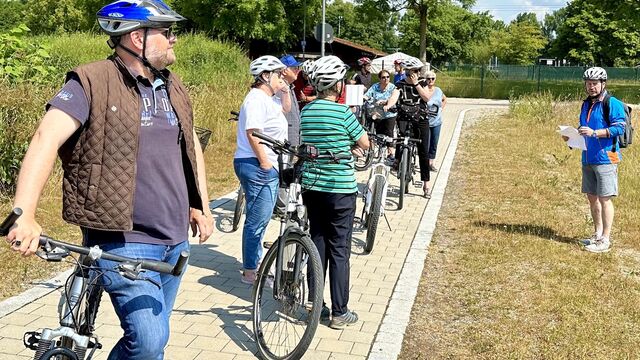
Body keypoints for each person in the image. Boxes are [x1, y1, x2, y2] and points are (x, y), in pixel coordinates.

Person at [5, 1, 213, 359]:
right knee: (148, 342)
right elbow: (46, 138)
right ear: (137, 37)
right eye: (166, 32)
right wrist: (24, 213)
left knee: (157, 340)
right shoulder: (91, 81)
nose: (174, 39)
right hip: (123, 238)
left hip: (175, 239)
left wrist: (202, 205)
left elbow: (190, 144)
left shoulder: (171, 86)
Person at [300, 55, 370, 329]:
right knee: (339, 249)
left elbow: (308, 144)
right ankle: (340, 313)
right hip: (340, 189)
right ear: (339, 85)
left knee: (316, 243)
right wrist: (350, 147)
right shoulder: (343, 113)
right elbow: (364, 142)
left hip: (312, 187)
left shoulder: (306, 112)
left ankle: (316, 306)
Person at [234, 55, 289, 283]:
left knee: (262, 217)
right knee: (258, 219)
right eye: (278, 74)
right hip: (257, 164)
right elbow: (252, 132)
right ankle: (250, 272)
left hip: (265, 162)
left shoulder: (270, 98)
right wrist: (265, 162)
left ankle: (253, 264)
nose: (282, 77)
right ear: (266, 76)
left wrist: (284, 91)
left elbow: (285, 112)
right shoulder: (256, 98)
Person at [563, 67, 625, 253]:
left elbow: (619, 128)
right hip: (587, 156)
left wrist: (594, 133)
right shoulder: (586, 104)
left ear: (603, 84)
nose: (591, 87)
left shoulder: (611, 102)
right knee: (592, 197)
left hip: (606, 156)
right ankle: (597, 235)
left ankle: (606, 239)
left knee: (605, 198)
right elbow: (584, 127)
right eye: (588, 84)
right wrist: (571, 137)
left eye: (595, 84)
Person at [385, 57, 432, 198]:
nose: (412, 74)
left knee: (423, 151)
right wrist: (389, 104)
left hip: (421, 118)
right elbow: (395, 95)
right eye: (410, 72)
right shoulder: (400, 84)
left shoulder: (422, 82)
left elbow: (427, 98)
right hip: (404, 116)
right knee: (401, 139)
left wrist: (416, 84)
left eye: (415, 71)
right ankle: (398, 161)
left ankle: (426, 184)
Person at [364, 69, 397, 159]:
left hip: (389, 113)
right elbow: (367, 95)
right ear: (379, 79)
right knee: (379, 134)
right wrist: (364, 97)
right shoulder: (375, 87)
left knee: (389, 133)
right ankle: (379, 150)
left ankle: (391, 153)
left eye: (387, 77)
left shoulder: (392, 87)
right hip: (378, 113)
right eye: (383, 77)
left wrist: (386, 102)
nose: (386, 79)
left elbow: (394, 98)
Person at [422, 70, 447, 172]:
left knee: (434, 143)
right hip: (425, 121)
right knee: (425, 144)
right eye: (428, 78)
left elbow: (445, 99)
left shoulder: (438, 90)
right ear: (426, 79)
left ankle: (431, 163)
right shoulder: (423, 90)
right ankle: (424, 163)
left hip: (436, 121)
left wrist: (441, 108)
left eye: (432, 78)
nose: (430, 80)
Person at [279, 54, 302, 146]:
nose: (297, 70)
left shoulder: (290, 87)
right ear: (284, 71)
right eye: (294, 68)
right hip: (284, 140)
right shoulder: (279, 89)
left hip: (293, 140)